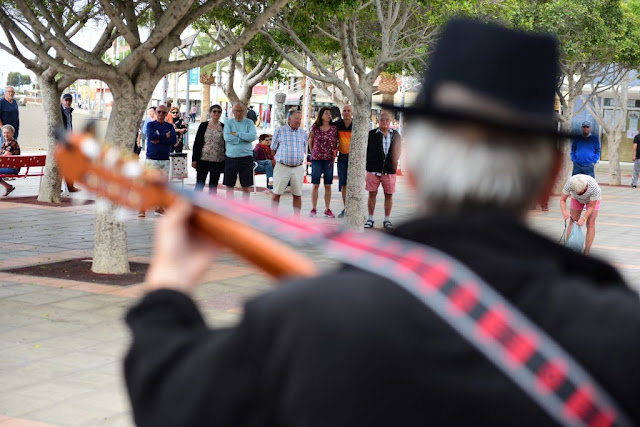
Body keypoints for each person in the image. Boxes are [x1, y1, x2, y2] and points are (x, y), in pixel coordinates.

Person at [124, 19, 640, 426]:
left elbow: (172, 401)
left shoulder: (303, 321)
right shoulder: (621, 331)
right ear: (551, 174)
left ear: (411, 164)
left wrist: (168, 286)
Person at [364, 111, 401, 229]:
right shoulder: (371, 134)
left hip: (389, 171)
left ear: (390, 122)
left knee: (389, 195)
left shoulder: (395, 135)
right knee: (372, 194)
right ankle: (370, 218)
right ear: (378, 121)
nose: (384, 122)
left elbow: (398, 151)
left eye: (386, 120)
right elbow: (366, 150)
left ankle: (387, 219)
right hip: (373, 170)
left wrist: (393, 163)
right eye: (382, 120)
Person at [139, 105, 176, 217]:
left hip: (164, 159)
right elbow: (150, 136)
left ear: (166, 114)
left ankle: (159, 207)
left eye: (163, 113)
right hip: (152, 158)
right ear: (156, 112)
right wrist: (165, 136)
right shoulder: (151, 124)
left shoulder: (169, 126)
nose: (161, 114)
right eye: (159, 112)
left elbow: (173, 140)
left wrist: (159, 138)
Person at [271, 110, 308, 213]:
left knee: (297, 194)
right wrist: (279, 159)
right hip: (282, 166)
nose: (298, 121)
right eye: (296, 118)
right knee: (277, 193)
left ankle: (296, 220)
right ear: (289, 119)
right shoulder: (280, 130)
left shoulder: (303, 133)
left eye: (300, 119)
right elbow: (273, 148)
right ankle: (272, 217)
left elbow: (305, 149)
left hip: (298, 168)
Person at [559, 174, 602, 255]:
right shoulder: (570, 183)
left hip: (592, 200)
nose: (579, 194)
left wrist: (584, 218)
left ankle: (586, 251)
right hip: (576, 200)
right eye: (577, 192)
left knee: (590, 223)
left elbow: (592, 206)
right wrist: (564, 212)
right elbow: (562, 200)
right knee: (573, 221)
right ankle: (569, 249)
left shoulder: (594, 187)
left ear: (585, 187)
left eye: (581, 193)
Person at [223, 103, 257, 200]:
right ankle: (230, 206)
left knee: (246, 186)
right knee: (229, 185)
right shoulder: (228, 123)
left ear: (245, 111)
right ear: (233, 111)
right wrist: (243, 138)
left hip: (246, 157)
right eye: (236, 111)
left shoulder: (249, 122)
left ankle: (245, 207)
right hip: (231, 157)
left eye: (241, 111)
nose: (238, 113)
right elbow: (227, 137)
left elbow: (252, 136)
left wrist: (237, 134)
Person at [308, 106, 337, 217]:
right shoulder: (315, 127)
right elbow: (310, 140)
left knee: (328, 185)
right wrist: (313, 152)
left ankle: (327, 209)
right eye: (326, 113)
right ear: (321, 115)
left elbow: (335, 142)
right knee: (315, 184)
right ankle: (313, 208)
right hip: (317, 159)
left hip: (329, 159)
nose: (329, 115)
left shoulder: (334, 128)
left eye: (330, 113)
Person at [192, 105, 225, 193]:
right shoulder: (203, 125)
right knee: (200, 184)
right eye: (214, 111)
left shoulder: (223, 127)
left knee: (213, 186)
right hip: (203, 159)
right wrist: (194, 159)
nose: (216, 113)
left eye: (218, 111)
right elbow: (197, 143)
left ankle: (211, 205)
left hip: (217, 160)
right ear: (210, 113)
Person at [335, 105, 353, 218]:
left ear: (352, 113)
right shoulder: (337, 124)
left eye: (348, 111)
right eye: (344, 111)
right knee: (344, 184)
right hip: (342, 157)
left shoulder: (357, 124)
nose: (346, 112)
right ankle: (346, 209)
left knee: (354, 184)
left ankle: (354, 209)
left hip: (354, 158)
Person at [60, 93, 79, 192]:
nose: (68, 102)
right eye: (66, 100)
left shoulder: (69, 111)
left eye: (69, 100)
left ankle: (70, 185)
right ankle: (59, 187)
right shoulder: (59, 110)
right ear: (62, 100)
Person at [0, 124, 19, 196]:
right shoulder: (5, 144)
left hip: (12, 168)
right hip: (6, 167)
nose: (6, 134)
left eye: (8, 133)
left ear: (12, 133)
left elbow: (4, 157)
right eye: (4, 133)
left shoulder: (13, 143)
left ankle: (8, 186)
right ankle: (8, 186)